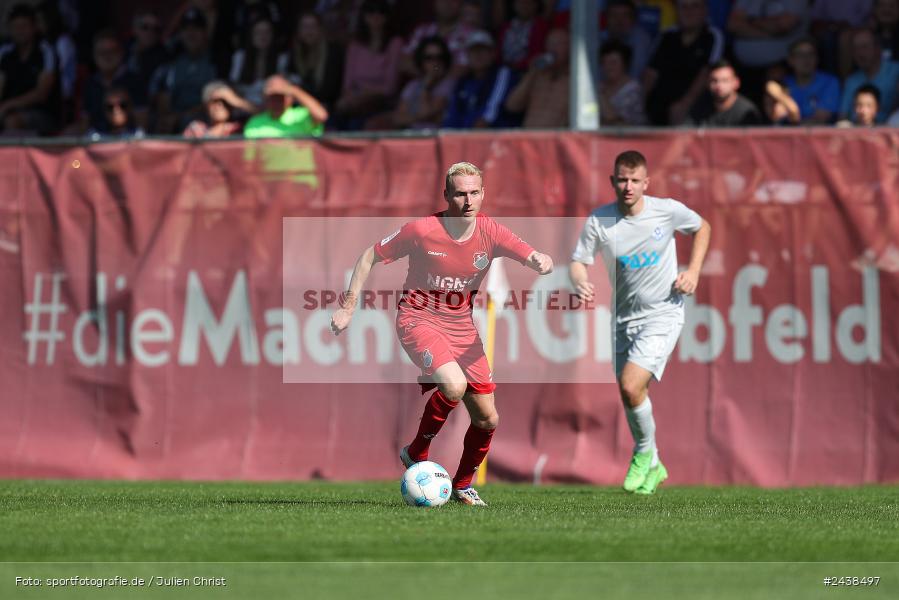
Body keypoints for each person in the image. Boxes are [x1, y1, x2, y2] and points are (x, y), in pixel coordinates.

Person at [330, 162, 554, 506]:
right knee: (453, 385)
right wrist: (348, 305)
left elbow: (533, 255)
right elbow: (367, 258)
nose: (467, 200)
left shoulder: (491, 232)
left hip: (462, 327)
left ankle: (463, 484)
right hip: (418, 319)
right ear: (446, 195)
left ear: (483, 194)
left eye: (474, 193)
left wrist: (541, 260)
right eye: (460, 193)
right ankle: (418, 450)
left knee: (487, 417)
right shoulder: (422, 230)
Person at [569, 150, 711, 495]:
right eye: (622, 179)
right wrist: (579, 280)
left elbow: (702, 227)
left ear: (646, 183)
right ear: (612, 182)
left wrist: (692, 271)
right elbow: (578, 261)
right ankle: (656, 463)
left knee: (632, 385)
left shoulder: (666, 211)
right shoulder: (600, 220)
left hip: (664, 312)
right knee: (630, 392)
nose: (628, 186)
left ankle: (643, 453)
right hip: (623, 319)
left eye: (635, 180)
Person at [642, 0, 724, 126]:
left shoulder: (712, 36)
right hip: (659, 104)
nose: (688, 11)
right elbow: (651, 73)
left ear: (705, 11)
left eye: (694, 6)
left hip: (694, 106)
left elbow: (707, 73)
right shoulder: (666, 35)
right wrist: (640, 103)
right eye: (683, 7)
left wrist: (685, 103)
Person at [0, 3, 58, 135]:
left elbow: (41, 94)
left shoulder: (46, 51)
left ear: (34, 27)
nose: (20, 31)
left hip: (43, 114)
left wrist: (8, 105)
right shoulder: (5, 53)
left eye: (24, 26)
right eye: (15, 27)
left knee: (11, 121)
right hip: (7, 110)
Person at [443, 30, 516, 129]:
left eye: (483, 50)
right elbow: (453, 115)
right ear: (467, 55)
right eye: (474, 50)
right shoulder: (462, 82)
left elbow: (489, 115)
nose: (478, 55)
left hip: (493, 138)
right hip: (463, 138)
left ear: (493, 53)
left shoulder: (502, 74)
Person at [504, 27, 569, 128]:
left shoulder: (576, 80)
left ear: (570, 48)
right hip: (529, 139)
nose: (553, 48)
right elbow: (512, 106)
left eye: (559, 44)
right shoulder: (537, 76)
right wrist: (532, 73)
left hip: (557, 139)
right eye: (550, 43)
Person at [766, 36, 840, 125]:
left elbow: (818, 121)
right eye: (800, 55)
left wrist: (787, 103)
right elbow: (775, 118)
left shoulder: (830, 82)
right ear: (790, 60)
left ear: (817, 58)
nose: (806, 59)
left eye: (811, 54)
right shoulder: (783, 83)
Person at [839, 28, 899, 123]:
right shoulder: (851, 81)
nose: (860, 53)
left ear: (877, 49)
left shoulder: (896, 71)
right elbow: (843, 117)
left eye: (864, 47)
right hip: (858, 134)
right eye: (855, 48)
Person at [243, 74, 328, 138]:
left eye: (281, 97)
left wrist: (292, 90)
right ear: (266, 99)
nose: (277, 101)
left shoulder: (301, 115)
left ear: (291, 98)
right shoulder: (255, 122)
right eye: (273, 97)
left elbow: (321, 115)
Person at [685, 59, 763, 126]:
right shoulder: (700, 107)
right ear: (707, 83)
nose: (719, 85)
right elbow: (685, 134)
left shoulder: (747, 112)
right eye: (714, 81)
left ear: (736, 83)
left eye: (725, 80)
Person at [598, 40, 647, 126]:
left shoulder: (634, 89)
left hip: (630, 137)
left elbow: (613, 119)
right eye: (604, 62)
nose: (608, 67)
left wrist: (601, 94)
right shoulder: (599, 85)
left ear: (625, 64)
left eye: (613, 63)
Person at [183, 80, 256, 137]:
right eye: (215, 101)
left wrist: (236, 101)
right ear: (206, 105)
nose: (220, 105)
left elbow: (265, 115)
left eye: (225, 102)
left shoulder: (238, 128)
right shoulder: (196, 128)